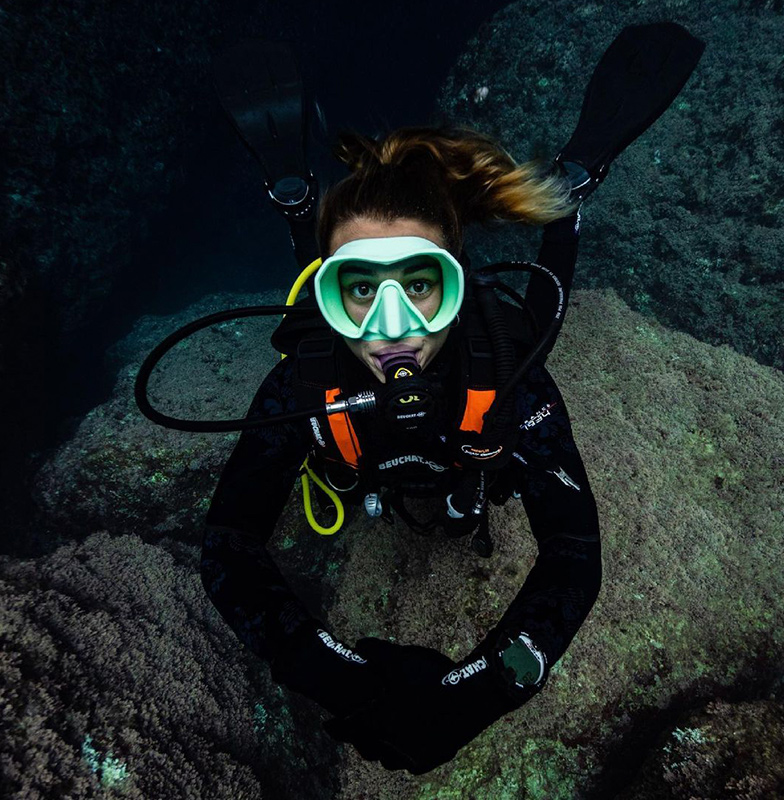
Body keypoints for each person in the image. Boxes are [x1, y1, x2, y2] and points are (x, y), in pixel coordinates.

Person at [170, 23, 704, 774]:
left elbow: (574, 551)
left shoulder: (509, 375)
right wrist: (342, 680)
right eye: (358, 291)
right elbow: (229, 542)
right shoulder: (307, 377)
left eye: (420, 286)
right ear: (333, 298)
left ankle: (572, 184)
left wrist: (474, 693)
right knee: (324, 304)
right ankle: (302, 211)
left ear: (457, 284)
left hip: (464, 437)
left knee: (546, 311)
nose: (395, 330)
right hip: (366, 436)